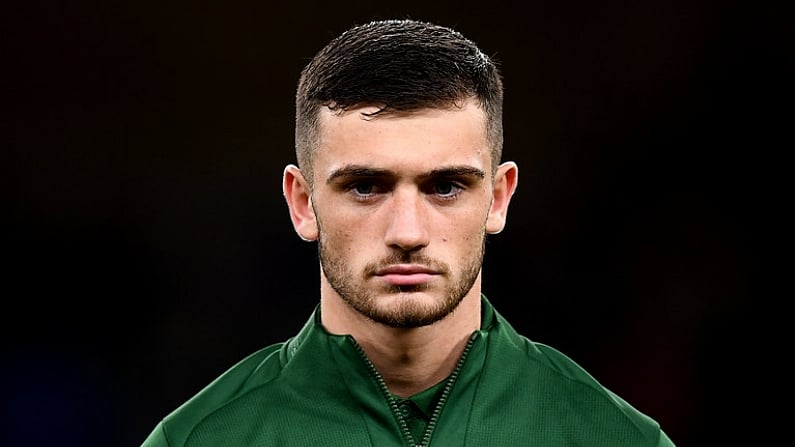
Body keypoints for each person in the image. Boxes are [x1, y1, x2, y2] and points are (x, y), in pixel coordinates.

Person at [140, 18, 676, 447]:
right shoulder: (198, 439)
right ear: (303, 204)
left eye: (445, 187)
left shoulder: (613, 436)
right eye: (366, 187)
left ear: (498, 197)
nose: (408, 232)